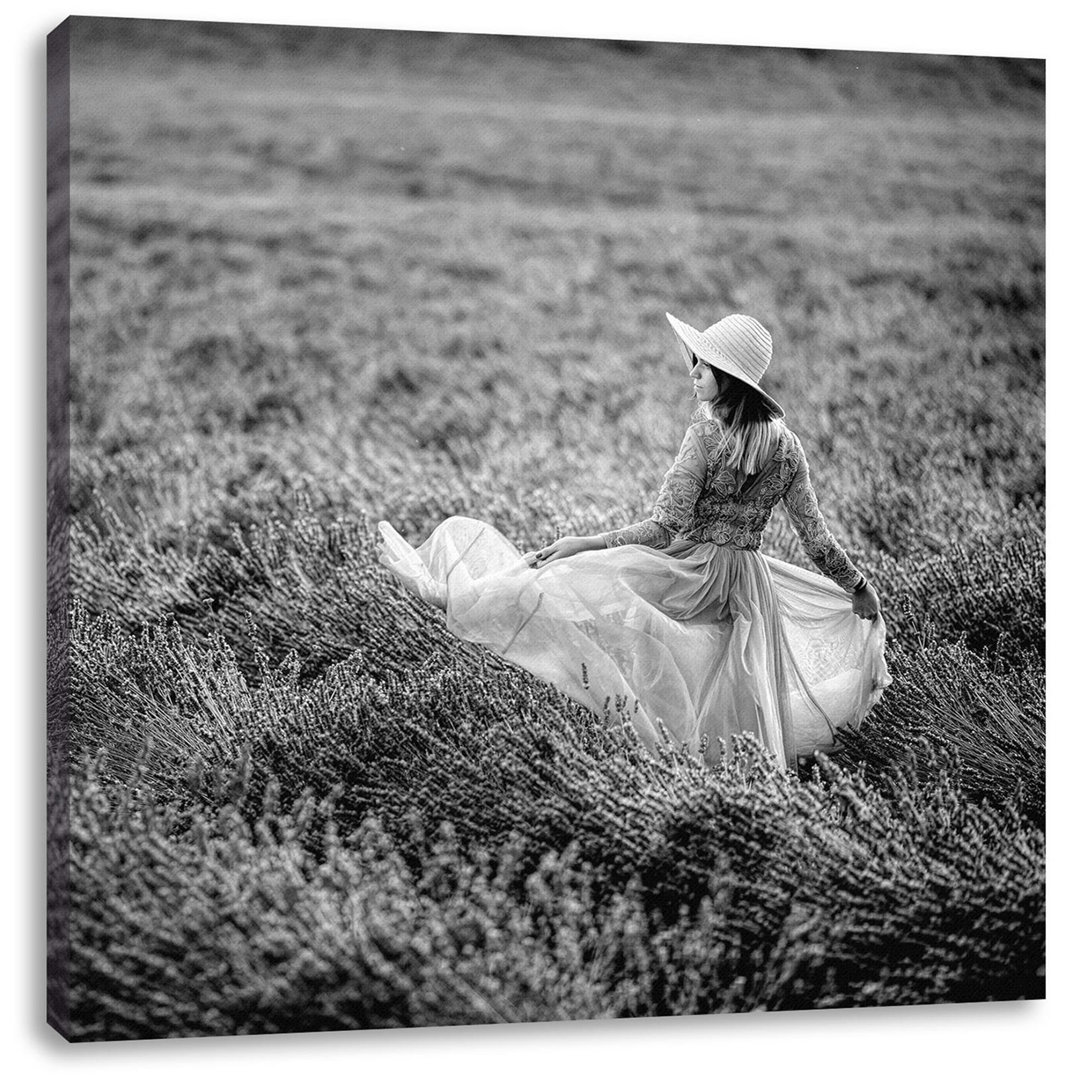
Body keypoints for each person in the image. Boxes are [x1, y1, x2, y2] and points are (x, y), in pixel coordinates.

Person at [377, 311, 890, 769]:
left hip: (694, 574)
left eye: (703, 367)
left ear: (728, 379)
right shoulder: (788, 447)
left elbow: (663, 529)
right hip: (750, 588)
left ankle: (461, 596)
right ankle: (733, 775)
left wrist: (589, 542)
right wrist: (857, 587)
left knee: (571, 582)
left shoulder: (706, 436)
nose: (692, 374)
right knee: (735, 686)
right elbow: (816, 539)